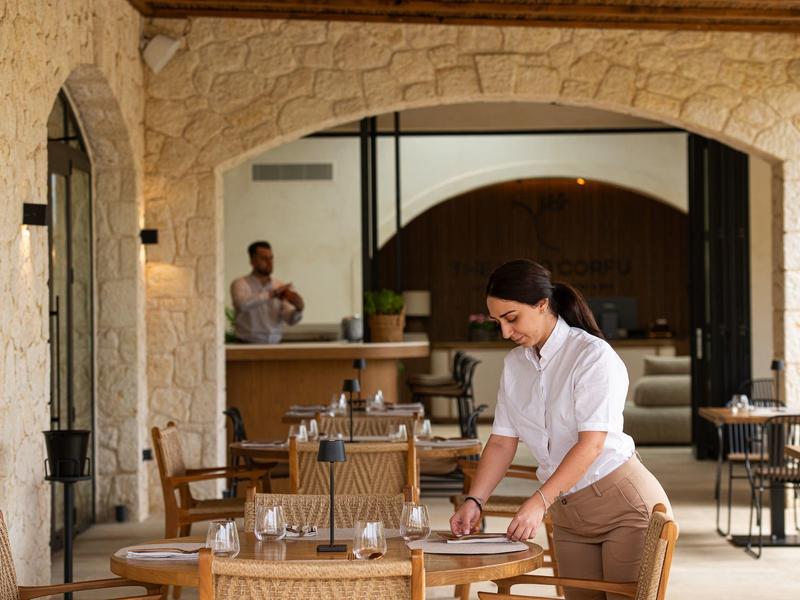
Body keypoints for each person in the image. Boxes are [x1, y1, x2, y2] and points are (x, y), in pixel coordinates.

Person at [449, 259, 671, 600]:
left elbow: (591, 445)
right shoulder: (515, 365)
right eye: (497, 323)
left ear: (542, 304)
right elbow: (502, 442)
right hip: (568, 514)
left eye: (511, 318)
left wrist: (539, 501)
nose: (505, 333)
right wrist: (475, 501)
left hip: (624, 508)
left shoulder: (592, 356)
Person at [230, 241, 304, 344]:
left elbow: (290, 320)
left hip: (274, 346)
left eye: (271, 258)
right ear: (252, 261)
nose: (269, 263)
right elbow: (242, 305)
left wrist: (299, 309)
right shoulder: (240, 283)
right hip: (247, 345)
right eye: (264, 258)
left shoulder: (278, 285)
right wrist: (272, 294)